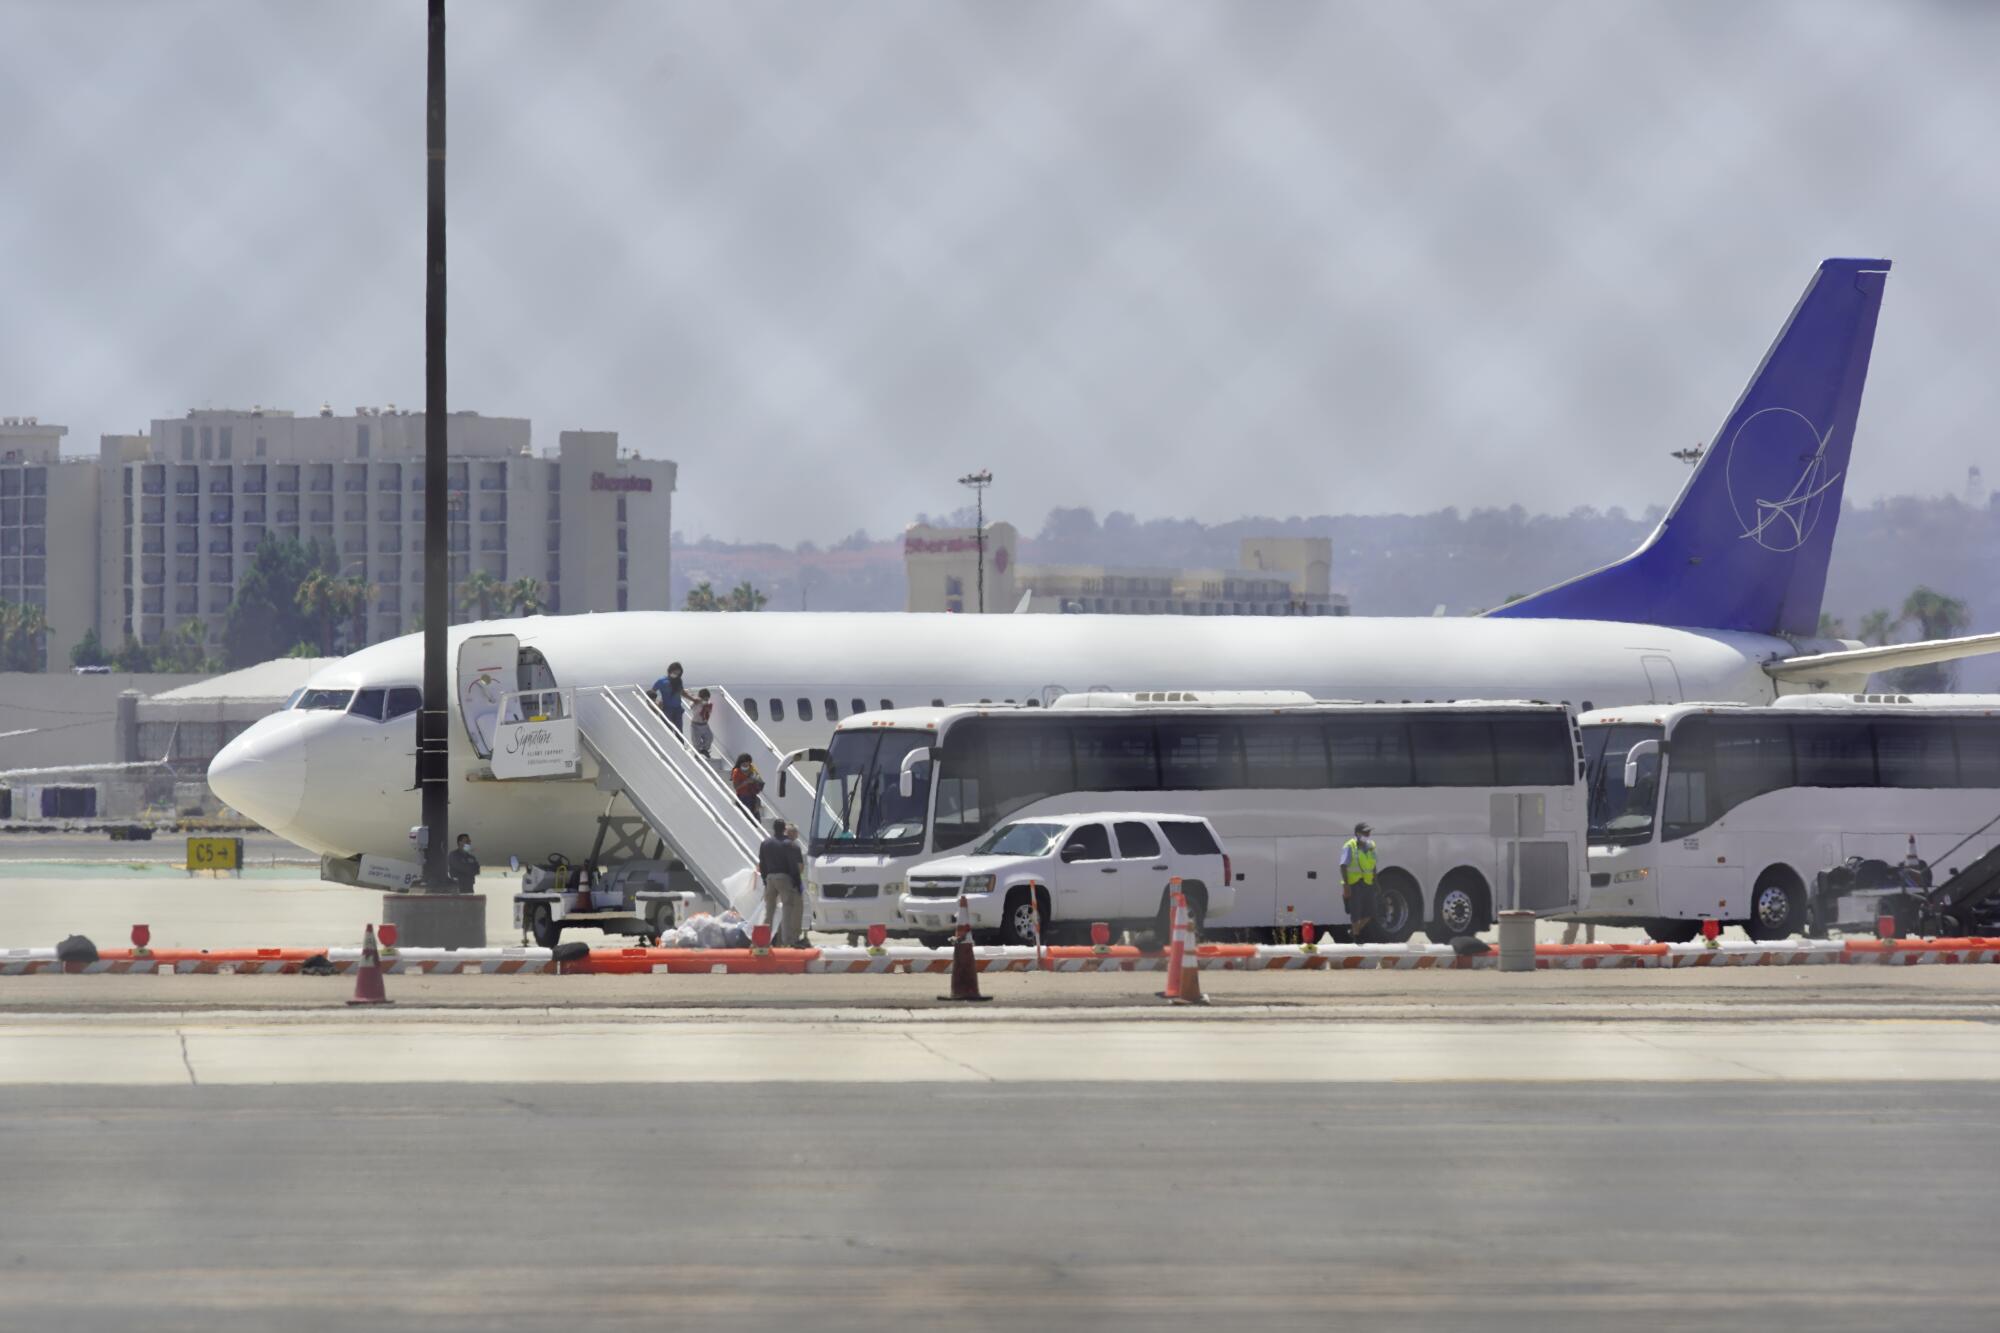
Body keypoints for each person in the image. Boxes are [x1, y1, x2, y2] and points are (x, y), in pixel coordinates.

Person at [758, 816, 805, 949]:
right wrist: (796, 882)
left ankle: (764, 941)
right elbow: (796, 867)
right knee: (787, 908)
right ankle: (788, 940)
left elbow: (762, 864)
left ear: (774, 829)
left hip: (770, 878)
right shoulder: (790, 844)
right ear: (784, 829)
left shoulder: (765, 843)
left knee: (769, 911)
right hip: (784, 878)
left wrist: (765, 880)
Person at [1339, 821, 1377, 941]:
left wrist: (1376, 881)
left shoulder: (1370, 846)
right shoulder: (1350, 846)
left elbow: (1373, 865)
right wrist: (1346, 885)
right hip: (1354, 884)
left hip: (1368, 883)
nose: (1367, 834)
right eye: (1365, 832)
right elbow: (1343, 866)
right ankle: (1356, 937)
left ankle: (1354, 931)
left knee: (1370, 912)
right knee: (1356, 913)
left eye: (1368, 832)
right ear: (1357, 833)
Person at [650, 661, 690, 732]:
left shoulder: (678, 681)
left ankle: (680, 742)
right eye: (675, 672)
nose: (676, 675)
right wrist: (655, 702)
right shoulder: (662, 681)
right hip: (667, 709)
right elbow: (652, 692)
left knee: (679, 730)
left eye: (678, 674)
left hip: (678, 709)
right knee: (668, 729)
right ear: (670, 670)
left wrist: (692, 699)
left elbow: (681, 692)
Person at [731, 754, 765, 818]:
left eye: (747, 764)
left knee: (756, 815)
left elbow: (757, 777)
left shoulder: (752, 768)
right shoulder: (737, 771)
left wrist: (756, 780)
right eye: (744, 764)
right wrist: (746, 782)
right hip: (743, 796)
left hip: (752, 794)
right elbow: (736, 787)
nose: (746, 766)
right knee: (747, 814)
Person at [688, 688, 716, 760]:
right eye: (705, 698)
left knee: (709, 738)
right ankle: (697, 753)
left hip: (704, 725)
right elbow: (691, 706)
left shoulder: (708, 703)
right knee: (696, 741)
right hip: (695, 725)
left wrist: (705, 704)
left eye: (707, 698)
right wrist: (698, 701)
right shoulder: (695, 702)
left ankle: (704, 750)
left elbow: (708, 709)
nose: (706, 700)